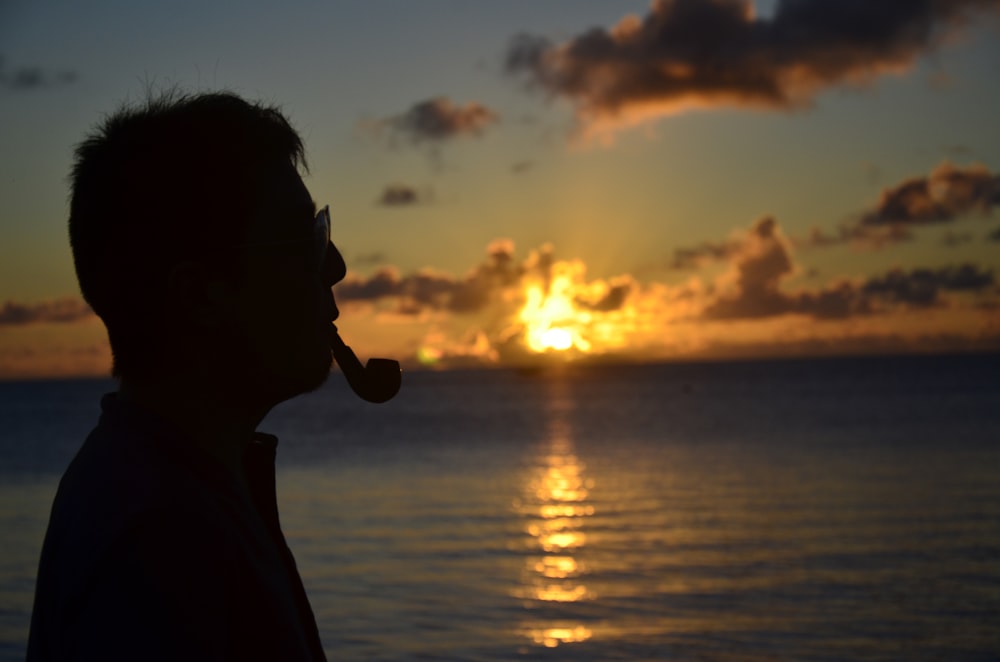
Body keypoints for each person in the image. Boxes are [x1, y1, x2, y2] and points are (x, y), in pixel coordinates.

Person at [27, 91, 344, 661]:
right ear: (201, 295)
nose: (336, 266)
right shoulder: (159, 544)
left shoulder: (160, 489)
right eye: (303, 241)